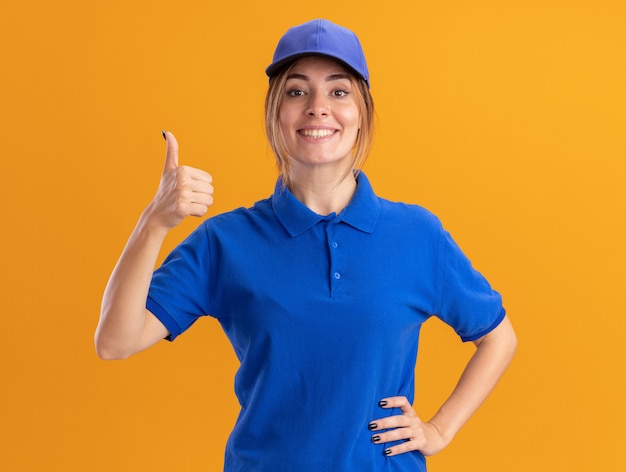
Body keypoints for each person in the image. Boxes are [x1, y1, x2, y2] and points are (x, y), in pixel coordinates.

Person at [95, 18, 517, 472]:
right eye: (297, 92)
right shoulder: (226, 242)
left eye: (339, 92)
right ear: (276, 112)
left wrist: (439, 429)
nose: (318, 107)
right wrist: (153, 223)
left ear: (363, 113)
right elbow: (115, 342)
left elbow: (499, 338)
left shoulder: (417, 234)